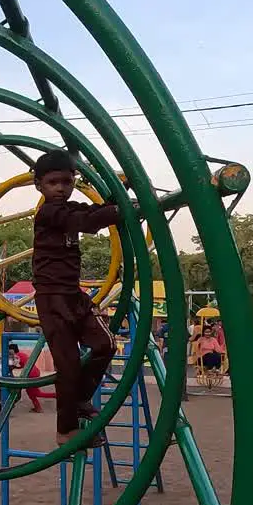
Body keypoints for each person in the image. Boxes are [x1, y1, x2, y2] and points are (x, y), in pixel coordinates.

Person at [32, 149, 173, 447]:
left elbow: (93, 212)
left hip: (73, 295)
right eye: (53, 182)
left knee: (105, 344)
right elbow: (88, 220)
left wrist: (123, 194)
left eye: (66, 182)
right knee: (68, 365)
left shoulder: (71, 209)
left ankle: (80, 398)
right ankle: (65, 430)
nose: (60, 188)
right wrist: (122, 209)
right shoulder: (48, 213)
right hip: (51, 297)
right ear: (39, 186)